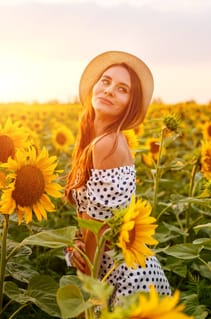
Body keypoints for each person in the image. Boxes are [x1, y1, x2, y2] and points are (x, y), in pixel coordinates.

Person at [64, 51, 171, 302]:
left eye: (122, 89)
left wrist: (89, 292)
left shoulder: (107, 146)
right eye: (105, 81)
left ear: (129, 105)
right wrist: (76, 243)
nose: (110, 90)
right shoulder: (97, 140)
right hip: (114, 267)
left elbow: (98, 228)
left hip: (125, 276)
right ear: (94, 86)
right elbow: (88, 221)